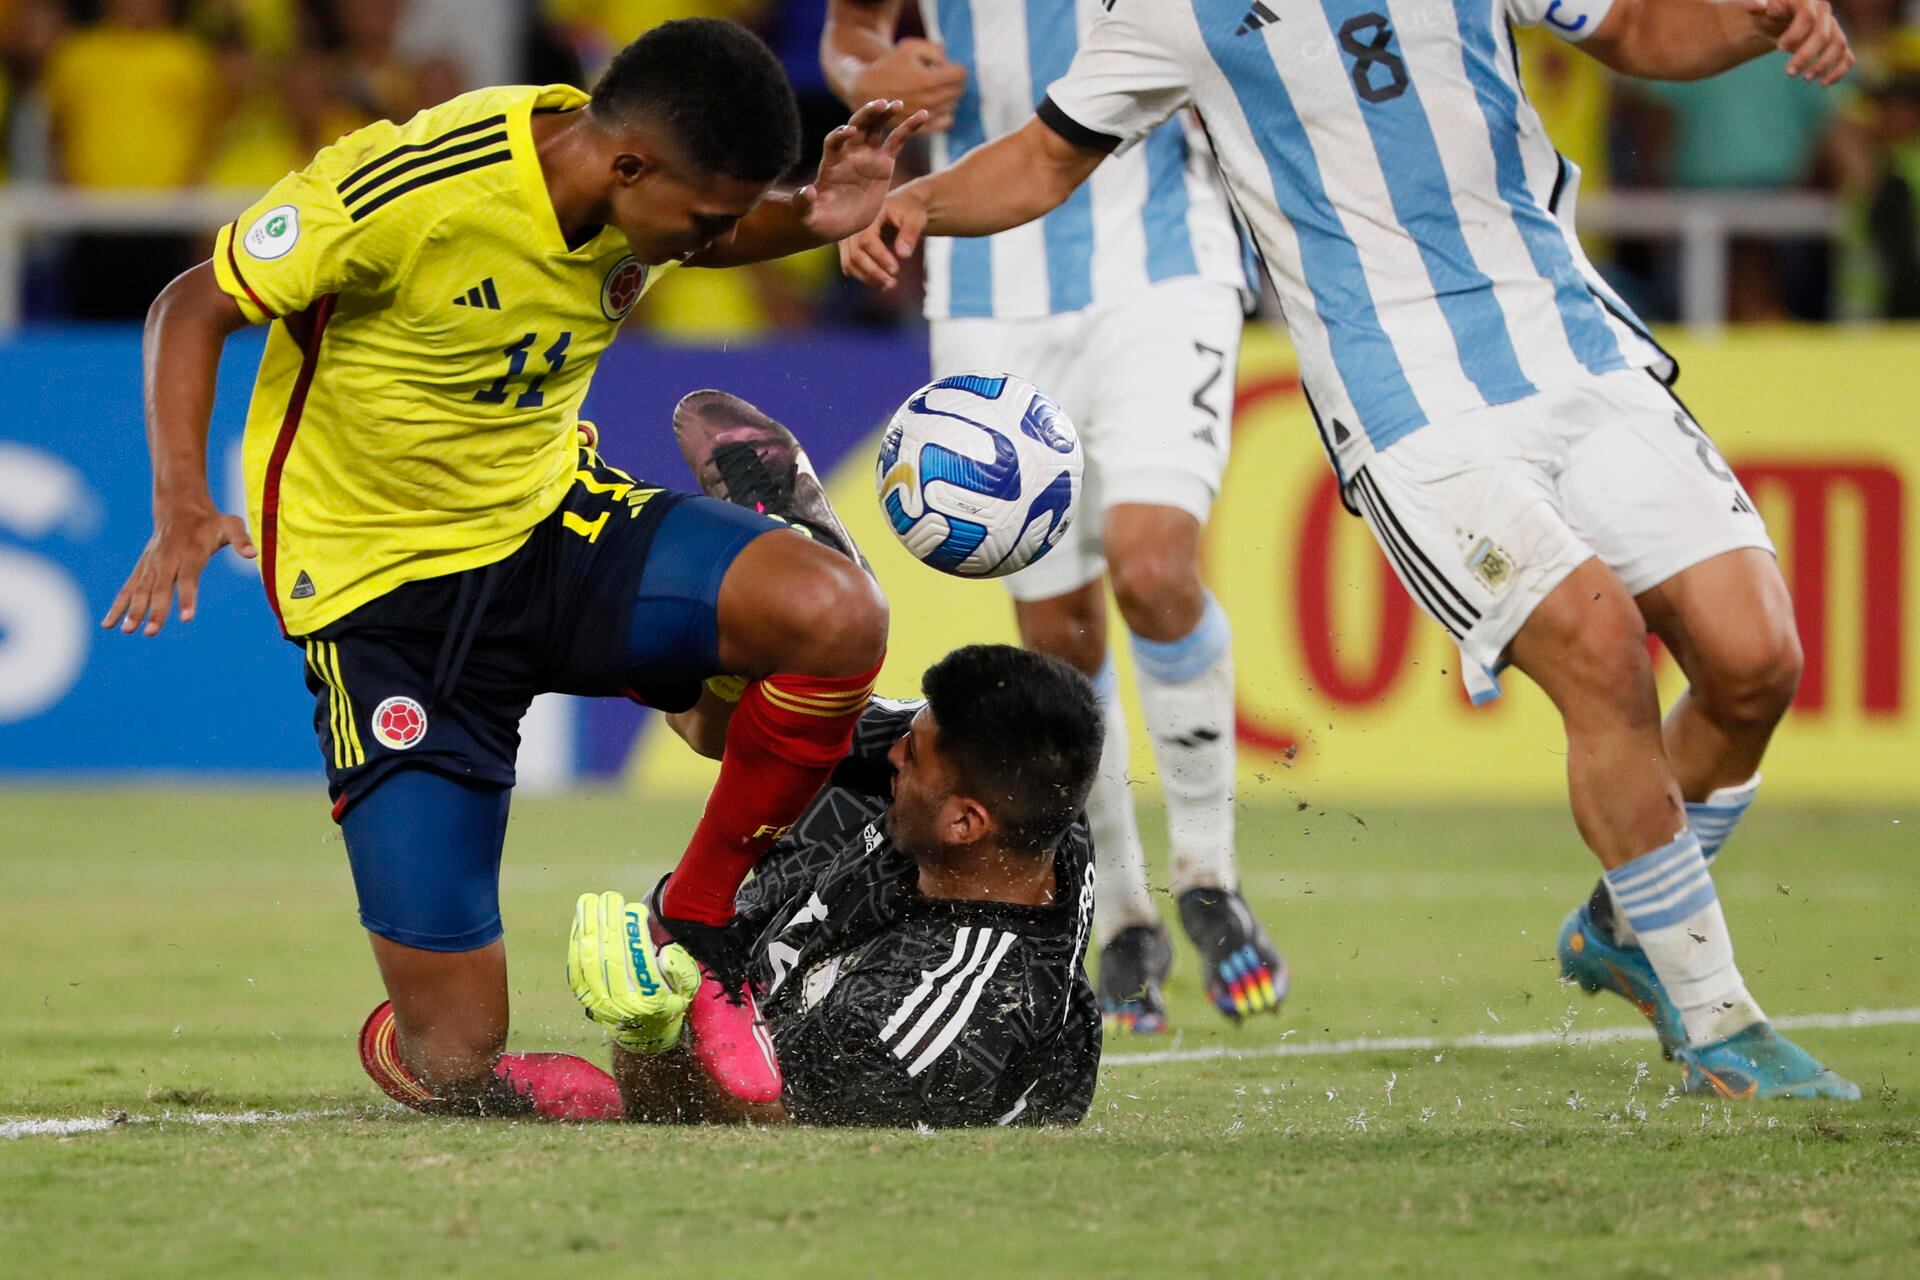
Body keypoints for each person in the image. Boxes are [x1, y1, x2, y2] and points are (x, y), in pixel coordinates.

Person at [844, 0, 1860, 1100]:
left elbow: (1638, 31)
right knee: (1601, 650)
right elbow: (1046, 155)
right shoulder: (1178, 12)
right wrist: (918, 201)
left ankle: (1624, 925)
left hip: (1576, 347)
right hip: (1405, 401)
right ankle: (1720, 1022)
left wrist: (1759, 21)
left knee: (1756, 661)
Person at [103, 18, 927, 1118]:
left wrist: (813, 214)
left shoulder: (637, 181)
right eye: (709, 219)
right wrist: (180, 501)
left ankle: (699, 928)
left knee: (834, 616)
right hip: (386, 605)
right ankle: (441, 1030)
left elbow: (701, 226)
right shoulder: (408, 193)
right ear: (630, 167)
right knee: (457, 1054)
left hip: (551, 528)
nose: (719, 241)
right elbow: (191, 303)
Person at [820, 0, 1284, 1036]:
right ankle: (1120, 913)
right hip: (987, 279)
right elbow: (850, 31)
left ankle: (1208, 875)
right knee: (1057, 634)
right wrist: (869, 72)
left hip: (1161, 255)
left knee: (1152, 563)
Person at [567, 640, 1104, 1128]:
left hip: (837, 1056)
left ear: (964, 823)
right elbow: (716, 727)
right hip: (828, 932)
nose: (893, 752)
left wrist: (647, 1037)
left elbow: (726, 1119)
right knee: (802, 758)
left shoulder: (936, 1014)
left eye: (912, 755)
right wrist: (721, 658)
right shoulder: (1032, 805)